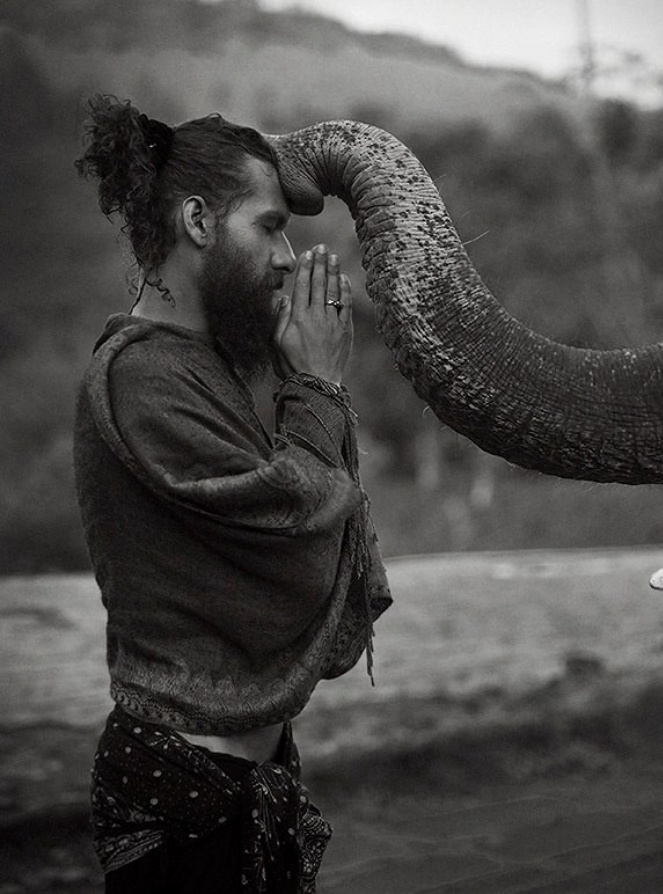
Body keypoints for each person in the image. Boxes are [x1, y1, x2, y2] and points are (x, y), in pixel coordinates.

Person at [72, 94, 392, 893]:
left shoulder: (208, 365)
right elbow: (293, 533)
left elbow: (314, 513)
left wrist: (300, 378)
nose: (288, 258)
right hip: (182, 795)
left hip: (245, 779)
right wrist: (319, 385)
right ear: (198, 221)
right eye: (270, 226)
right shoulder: (141, 375)